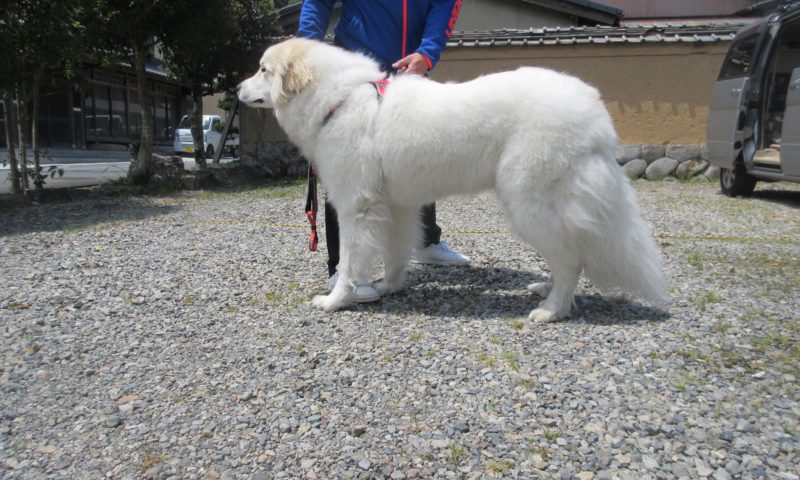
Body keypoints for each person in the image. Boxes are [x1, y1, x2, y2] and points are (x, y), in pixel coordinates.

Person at [298, 0, 469, 302]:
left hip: (408, 65)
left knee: (416, 154)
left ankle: (425, 242)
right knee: (347, 164)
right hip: (354, 62)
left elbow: (445, 3)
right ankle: (343, 270)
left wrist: (428, 52)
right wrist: (307, 49)